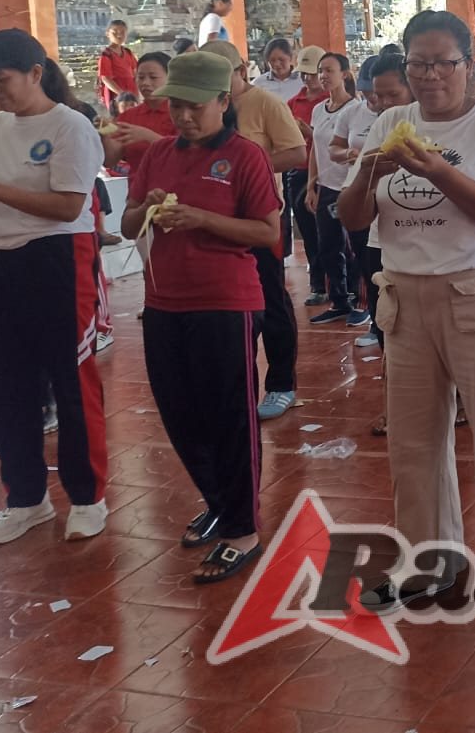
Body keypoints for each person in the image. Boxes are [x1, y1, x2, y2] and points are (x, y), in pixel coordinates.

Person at [339, 9, 475, 655]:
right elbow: (353, 215)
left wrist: (438, 170)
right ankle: (430, 561)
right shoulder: (387, 122)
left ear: (472, 64)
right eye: (418, 64)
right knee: (413, 442)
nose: (431, 76)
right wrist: (372, 171)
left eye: (444, 63)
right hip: (404, 298)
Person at [0, 30, 109, 545]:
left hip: (57, 260)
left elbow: (68, 206)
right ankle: (26, 498)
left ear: (35, 73)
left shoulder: (70, 126)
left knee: (72, 383)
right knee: (7, 386)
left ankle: (87, 497)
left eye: (2, 79)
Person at [123, 50, 278, 583]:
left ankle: (243, 529)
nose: (183, 117)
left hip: (225, 302)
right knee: (180, 415)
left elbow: (268, 232)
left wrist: (202, 219)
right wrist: (148, 210)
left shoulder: (244, 157)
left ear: (222, 100)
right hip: (163, 302)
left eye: (194, 107)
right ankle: (216, 502)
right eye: (175, 107)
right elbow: (126, 223)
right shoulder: (158, 154)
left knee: (230, 418)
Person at [198, 41, 308, 422]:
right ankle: (232, 384)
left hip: (260, 217)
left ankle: (280, 384)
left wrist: (245, 171)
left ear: (241, 69)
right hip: (215, 218)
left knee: (270, 300)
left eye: (222, 73)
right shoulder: (203, 106)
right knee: (226, 306)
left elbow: (296, 152)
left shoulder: (265, 104)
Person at [330, 56, 409, 355]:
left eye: (393, 95)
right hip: (381, 240)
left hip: (426, 253)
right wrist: (366, 173)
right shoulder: (382, 126)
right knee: (392, 331)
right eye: (378, 95)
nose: (383, 102)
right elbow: (353, 205)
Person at [305, 52, 365, 328]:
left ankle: (360, 301)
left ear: (345, 74)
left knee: (355, 246)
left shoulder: (356, 109)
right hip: (326, 186)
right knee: (328, 245)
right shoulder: (318, 109)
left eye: (329, 70)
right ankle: (339, 301)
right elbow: (316, 151)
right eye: (320, 71)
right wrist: (311, 185)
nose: (323, 76)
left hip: (350, 186)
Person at [285, 46, 327, 304]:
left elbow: (330, 142)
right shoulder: (293, 103)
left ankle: (342, 285)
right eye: (304, 73)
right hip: (299, 171)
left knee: (331, 231)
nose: (308, 79)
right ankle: (318, 284)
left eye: (312, 73)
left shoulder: (330, 103)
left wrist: (311, 133)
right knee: (309, 231)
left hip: (327, 171)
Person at [102, 52, 175, 177]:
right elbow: (109, 160)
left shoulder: (181, 113)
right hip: (137, 190)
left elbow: (186, 157)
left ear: (170, 78)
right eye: (140, 77)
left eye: (153, 77)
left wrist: (148, 136)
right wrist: (104, 135)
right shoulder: (128, 116)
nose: (145, 83)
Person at [97, 19, 138, 111]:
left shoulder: (128, 53)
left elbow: (136, 72)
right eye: (114, 33)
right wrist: (122, 94)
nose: (119, 36)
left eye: (122, 32)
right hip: (117, 95)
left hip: (132, 92)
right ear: (107, 34)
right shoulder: (106, 55)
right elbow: (105, 78)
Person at [254, 37, 305, 103]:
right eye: (272, 60)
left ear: (291, 58)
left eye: (281, 59)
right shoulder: (258, 84)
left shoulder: (303, 80)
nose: (277, 64)